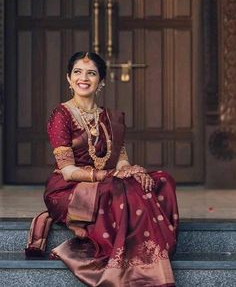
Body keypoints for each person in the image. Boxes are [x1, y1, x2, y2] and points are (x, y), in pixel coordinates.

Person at [26, 51, 179, 287]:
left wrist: (130, 171)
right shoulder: (61, 115)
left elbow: (120, 159)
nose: (83, 78)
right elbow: (67, 171)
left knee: (161, 180)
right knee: (120, 187)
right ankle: (133, 264)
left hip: (108, 182)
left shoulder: (109, 117)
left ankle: (149, 253)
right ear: (68, 78)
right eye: (77, 72)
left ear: (102, 81)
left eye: (91, 73)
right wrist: (112, 175)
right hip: (70, 188)